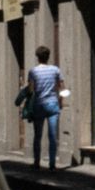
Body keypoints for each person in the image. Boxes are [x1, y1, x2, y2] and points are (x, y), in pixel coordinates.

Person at [27, 44, 64, 172]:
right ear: (48, 57)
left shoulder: (33, 71)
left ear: (38, 57)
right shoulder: (55, 70)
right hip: (53, 104)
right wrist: (60, 102)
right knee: (52, 136)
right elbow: (61, 88)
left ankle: (37, 162)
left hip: (39, 105)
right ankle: (52, 165)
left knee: (38, 135)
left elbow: (31, 90)